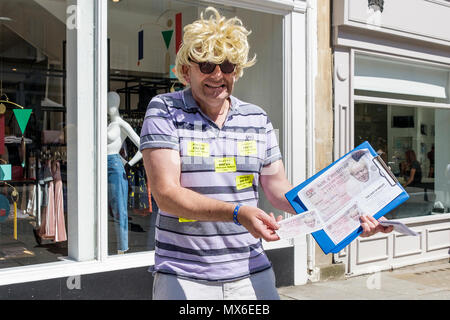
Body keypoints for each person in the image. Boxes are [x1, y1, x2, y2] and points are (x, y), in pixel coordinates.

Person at [140, 7, 391, 300]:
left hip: (251, 272)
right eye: (207, 65)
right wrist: (237, 213)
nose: (218, 74)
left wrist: (347, 213)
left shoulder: (256, 118)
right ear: (187, 71)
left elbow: (278, 190)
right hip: (185, 275)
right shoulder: (164, 110)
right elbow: (166, 193)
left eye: (228, 65)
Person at [107, 91, 142, 254]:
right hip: (101, 165)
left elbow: (142, 146)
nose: (107, 106)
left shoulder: (121, 124)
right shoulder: (108, 125)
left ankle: (122, 247)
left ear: (116, 104)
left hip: (115, 165)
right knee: (101, 208)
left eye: (110, 102)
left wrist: (129, 164)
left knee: (119, 208)